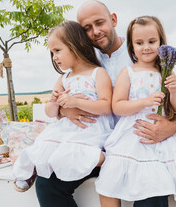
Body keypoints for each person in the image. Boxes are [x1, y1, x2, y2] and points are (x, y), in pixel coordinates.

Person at [35, 1, 176, 207]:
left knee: (151, 187)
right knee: (47, 184)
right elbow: (63, 93)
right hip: (94, 146)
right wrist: (63, 111)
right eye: (87, 28)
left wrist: (171, 126)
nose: (95, 31)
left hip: (135, 141)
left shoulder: (140, 52)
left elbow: (172, 101)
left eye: (99, 23)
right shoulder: (83, 59)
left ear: (113, 20)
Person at [96, 16, 176, 207]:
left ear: (161, 42)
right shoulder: (128, 72)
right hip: (133, 134)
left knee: (174, 181)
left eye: (152, 42)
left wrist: (174, 91)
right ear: (132, 46)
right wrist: (144, 102)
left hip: (161, 137)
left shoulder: (166, 72)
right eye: (139, 43)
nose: (146, 47)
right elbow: (117, 105)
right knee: (111, 178)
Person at [13, 21, 113, 193]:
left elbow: (106, 106)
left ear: (77, 45)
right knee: (46, 145)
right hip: (66, 130)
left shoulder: (98, 73)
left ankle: (102, 158)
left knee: (70, 151)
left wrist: (76, 103)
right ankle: (31, 170)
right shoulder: (64, 78)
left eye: (58, 51)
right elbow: (50, 113)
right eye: (52, 53)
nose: (54, 57)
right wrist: (54, 102)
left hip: (91, 129)